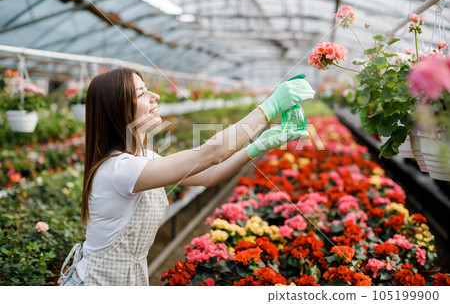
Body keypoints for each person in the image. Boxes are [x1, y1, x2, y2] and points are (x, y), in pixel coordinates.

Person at [58, 67, 315, 286]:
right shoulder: (119, 169)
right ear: (119, 108)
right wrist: (268, 107)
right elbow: (212, 153)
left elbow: (209, 175)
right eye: (142, 93)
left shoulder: (144, 158)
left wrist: (257, 146)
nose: (155, 95)